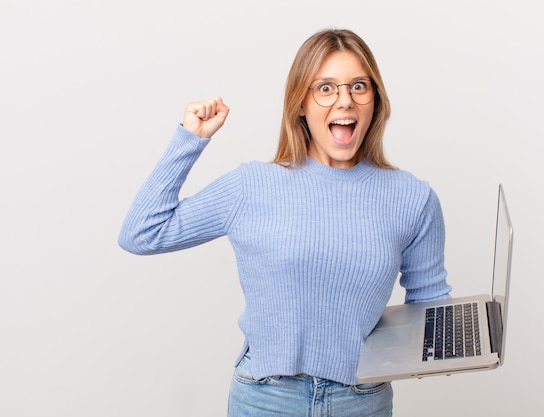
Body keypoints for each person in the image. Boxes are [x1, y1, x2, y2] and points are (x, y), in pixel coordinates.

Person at [119, 28, 451, 416]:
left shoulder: (413, 198)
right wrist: (189, 140)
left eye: (358, 86)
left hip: (361, 401)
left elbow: (429, 307)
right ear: (300, 104)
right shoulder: (252, 185)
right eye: (325, 88)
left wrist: (457, 336)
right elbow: (142, 233)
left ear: (374, 100)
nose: (345, 100)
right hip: (266, 400)